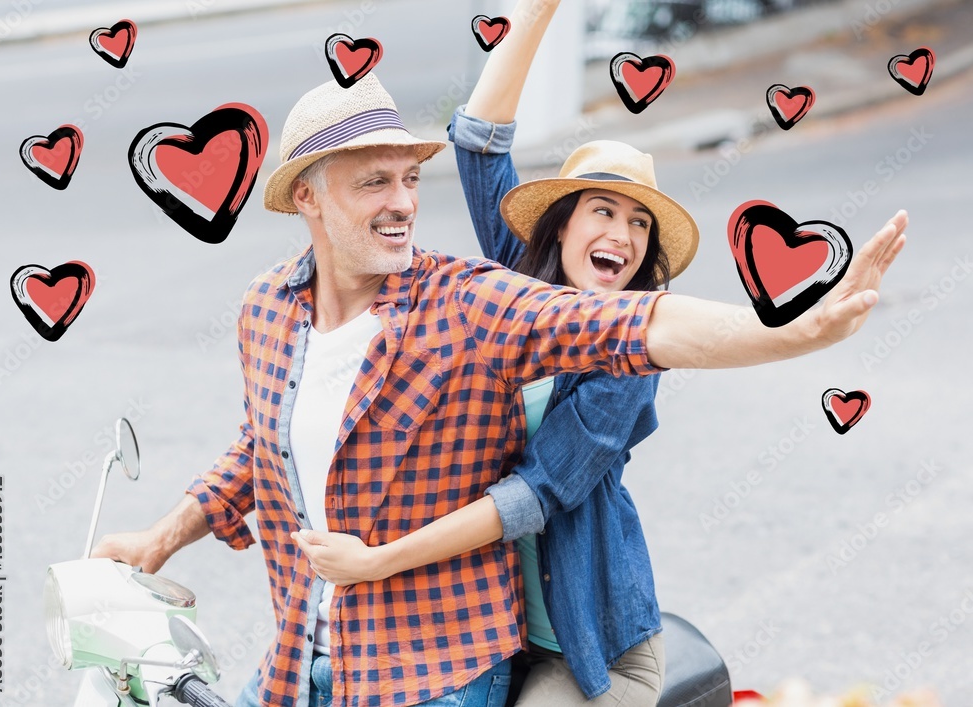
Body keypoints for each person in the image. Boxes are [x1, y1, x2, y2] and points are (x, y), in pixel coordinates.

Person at [93, 65, 907, 707]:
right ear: (307, 195)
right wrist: (159, 536)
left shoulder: (473, 302)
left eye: (409, 179)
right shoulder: (266, 309)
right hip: (303, 657)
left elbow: (640, 330)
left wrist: (792, 329)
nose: (404, 201)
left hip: (451, 662)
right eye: (374, 181)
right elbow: (262, 448)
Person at [293, 0, 684, 704]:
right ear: (563, 227)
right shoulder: (520, 287)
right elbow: (479, 142)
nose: (622, 236)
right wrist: (537, 14)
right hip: (489, 634)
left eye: (639, 225)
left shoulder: (632, 360)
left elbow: (535, 494)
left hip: (590, 647)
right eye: (603, 210)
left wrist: (377, 562)